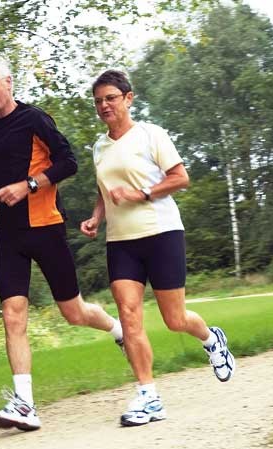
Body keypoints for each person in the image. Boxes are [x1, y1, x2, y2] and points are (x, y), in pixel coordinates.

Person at [0, 56, 124, 432]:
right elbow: (3, 175)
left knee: (73, 313)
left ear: (8, 81)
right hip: (9, 234)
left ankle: (115, 328)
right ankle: (25, 405)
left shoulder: (35, 119)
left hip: (45, 227)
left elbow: (68, 162)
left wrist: (28, 186)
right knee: (12, 314)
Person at [80, 70, 235, 427]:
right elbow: (106, 189)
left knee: (174, 319)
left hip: (161, 233)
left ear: (128, 98)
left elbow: (181, 178)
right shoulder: (100, 147)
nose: (104, 105)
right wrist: (96, 217)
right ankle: (149, 396)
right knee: (130, 318)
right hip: (121, 242)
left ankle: (212, 339)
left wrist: (142, 194)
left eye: (111, 98)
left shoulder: (151, 134)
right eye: (99, 100)